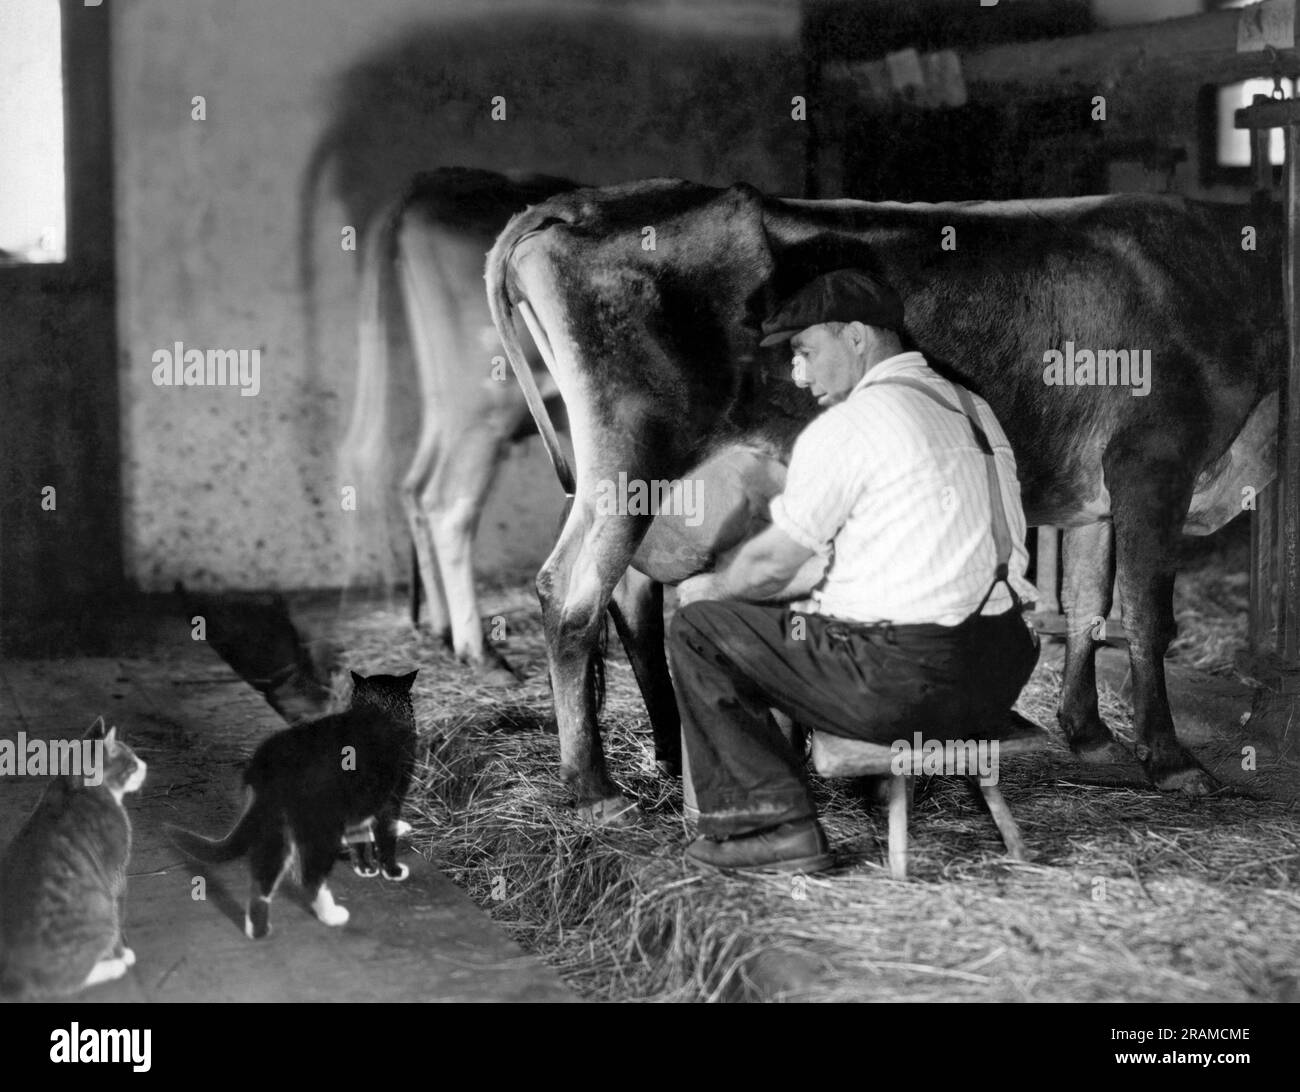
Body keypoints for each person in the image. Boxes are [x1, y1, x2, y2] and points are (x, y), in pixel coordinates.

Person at [669, 268, 1040, 873]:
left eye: (806, 351)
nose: (799, 374)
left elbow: (767, 566)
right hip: (1000, 670)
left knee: (701, 630)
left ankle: (775, 826)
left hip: (903, 683)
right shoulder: (973, 406)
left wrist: (712, 587)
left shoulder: (850, 425)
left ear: (858, 336)